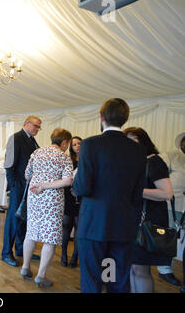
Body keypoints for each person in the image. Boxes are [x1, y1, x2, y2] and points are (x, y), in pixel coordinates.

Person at [72, 98, 146, 293]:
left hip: (94, 226)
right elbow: (138, 193)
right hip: (122, 226)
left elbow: (82, 188)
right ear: (125, 118)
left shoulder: (91, 144)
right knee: (115, 279)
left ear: (101, 117)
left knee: (92, 281)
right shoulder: (138, 150)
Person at [123, 127, 174, 293]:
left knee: (140, 269)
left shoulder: (154, 162)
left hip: (147, 223)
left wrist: (134, 191)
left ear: (143, 141)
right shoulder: (137, 162)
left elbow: (167, 193)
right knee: (132, 268)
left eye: (133, 140)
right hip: (133, 222)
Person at [21, 128, 73, 288]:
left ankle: (25, 267)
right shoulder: (64, 158)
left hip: (34, 197)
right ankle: (41, 276)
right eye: (68, 143)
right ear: (64, 142)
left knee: (31, 231)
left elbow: (27, 175)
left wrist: (39, 182)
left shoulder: (37, 152)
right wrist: (46, 185)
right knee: (50, 237)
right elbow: (67, 181)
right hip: (52, 200)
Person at [1, 116, 42, 267]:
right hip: (19, 186)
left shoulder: (32, 140)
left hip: (28, 187)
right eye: (36, 126)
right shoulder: (16, 138)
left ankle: (21, 249)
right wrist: (14, 185)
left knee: (24, 219)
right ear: (27, 124)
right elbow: (9, 163)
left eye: (39, 127)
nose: (37, 129)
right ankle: (6, 252)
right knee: (13, 220)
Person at [157, 131, 184, 286]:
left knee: (176, 239)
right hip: (169, 204)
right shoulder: (171, 156)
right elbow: (157, 175)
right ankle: (164, 269)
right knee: (167, 238)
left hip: (183, 206)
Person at [61, 136, 82, 268]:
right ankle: (63, 254)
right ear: (71, 147)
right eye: (74, 144)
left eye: (79, 143)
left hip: (82, 198)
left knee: (79, 229)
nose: (77, 146)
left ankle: (75, 256)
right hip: (68, 196)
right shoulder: (68, 160)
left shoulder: (87, 160)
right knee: (66, 227)